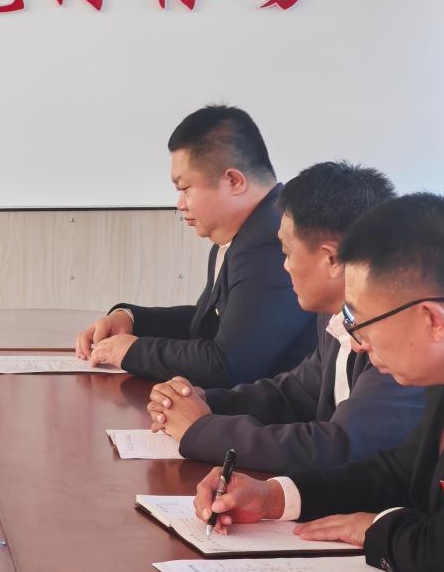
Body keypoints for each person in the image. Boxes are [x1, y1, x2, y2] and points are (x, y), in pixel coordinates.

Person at [195, 194, 444, 572]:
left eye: (360, 321)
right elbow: (399, 471)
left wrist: (376, 528)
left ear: (433, 320)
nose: (357, 342)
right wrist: (274, 496)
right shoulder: (442, 380)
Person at [146, 162, 424, 472]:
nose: (285, 266)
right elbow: (294, 393)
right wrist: (200, 401)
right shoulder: (333, 316)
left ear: (331, 259)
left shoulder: (395, 331)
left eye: (288, 252)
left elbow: (342, 446)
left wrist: (203, 429)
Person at [76, 105, 315, 387]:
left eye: (185, 188)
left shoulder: (271, 242)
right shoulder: (245, 232)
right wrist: (132, 320)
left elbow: (226, 365)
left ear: (233, 181)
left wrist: (132, 351)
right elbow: (206, 325)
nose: (180, 204)